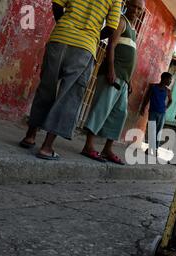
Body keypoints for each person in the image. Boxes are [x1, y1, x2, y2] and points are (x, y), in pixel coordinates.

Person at [19, 0, 123, 160]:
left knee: (46, 88)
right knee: (68, 97)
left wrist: (64, 24)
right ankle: (46, 147)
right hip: (84, 46)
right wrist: (94, 35)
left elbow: (57, 5)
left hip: (59, 38)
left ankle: (30, 136)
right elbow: (111, 27)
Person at [81, 0, 145, 165]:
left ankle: (107, 149)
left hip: (123, 79)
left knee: (119, 114)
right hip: (112, 75)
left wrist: (129, 80)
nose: (135, 11)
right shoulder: (121, 21)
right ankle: (88, 145)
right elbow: (111, 46)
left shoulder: (133, 29)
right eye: (133, 6)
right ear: (127, 5)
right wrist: (110, 70)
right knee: (101, 108)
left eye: (139, 9)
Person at [140, 72, 173, 156]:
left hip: (162, 114)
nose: (170, 81)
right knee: (152, 130)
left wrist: (166, 107)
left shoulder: (168, 91)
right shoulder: (153, 87)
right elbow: (147, 97)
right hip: (153, 112)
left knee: (158, 132)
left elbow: (171, 101)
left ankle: (155, 149)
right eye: (169, 79)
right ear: (164, 78)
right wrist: (143, 107)